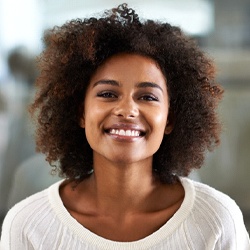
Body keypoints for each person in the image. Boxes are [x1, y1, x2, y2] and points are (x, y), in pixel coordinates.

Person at [1, 4, 249, 249]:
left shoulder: (216, 221)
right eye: (108, 94)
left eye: (148, 97)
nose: (127, 110)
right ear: (81, 113)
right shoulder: (28, 225)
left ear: (170, 119)